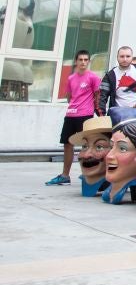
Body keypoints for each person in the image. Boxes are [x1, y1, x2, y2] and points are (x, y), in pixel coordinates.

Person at [46, 50, 100, 186]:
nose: (83, 62)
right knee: (67, 144)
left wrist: (97, 110)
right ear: (76, 61)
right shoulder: (71, 78)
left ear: (88, 62)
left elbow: (97, 96)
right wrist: (73, 106)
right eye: (80, 59)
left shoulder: (93, 77)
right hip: (71, 115)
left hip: (85, 115)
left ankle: (88, 174)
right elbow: (69, 96)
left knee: (87, 145)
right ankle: (65, 176)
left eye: (85, 60)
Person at [97, 46, 136, 115]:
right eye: (122, 56)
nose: (125, 59)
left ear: (132, 57)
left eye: (128, 56)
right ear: (117, 57)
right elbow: (101, 97)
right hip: (118, 116)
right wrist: (102, 116)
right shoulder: (110, 75)